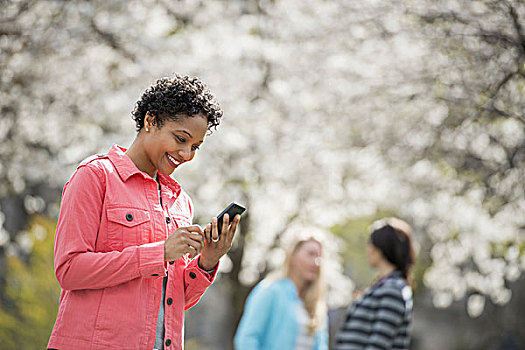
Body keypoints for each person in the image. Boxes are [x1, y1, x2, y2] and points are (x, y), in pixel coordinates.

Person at [47, 74, 241, 350]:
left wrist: (208, 261)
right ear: (150, 121)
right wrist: (159, 253)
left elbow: (171, 300)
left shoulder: (180, 202)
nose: (186, 154)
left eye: (195, 147)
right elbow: (69, 270)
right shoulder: (95, 176)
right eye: (181, 139)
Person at [333, 217, 416, 350]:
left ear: (381, 249)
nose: (368, 250)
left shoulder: (393, 290)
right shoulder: (382, 286)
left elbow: (379, 344)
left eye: (371, 244)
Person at [234, 237, 328, 350]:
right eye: (310, 254)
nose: (316, 262)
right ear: (292, 256)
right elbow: (247, 339)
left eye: (319, 256)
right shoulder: (270, 291)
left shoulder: (317, 304)